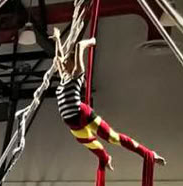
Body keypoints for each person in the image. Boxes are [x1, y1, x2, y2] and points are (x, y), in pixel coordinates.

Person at [53, 29, 164, 172]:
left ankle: (148, 153)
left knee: (112, 137)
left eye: (65, 61)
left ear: (72, 63)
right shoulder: (64, 77)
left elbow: (80, 46)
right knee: (94, 146)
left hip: (83, 114)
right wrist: (57, 41)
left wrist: (91, 42)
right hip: (72, 124)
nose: (61, 63)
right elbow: (58, 58)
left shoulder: (76, 74)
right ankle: (106, 159)